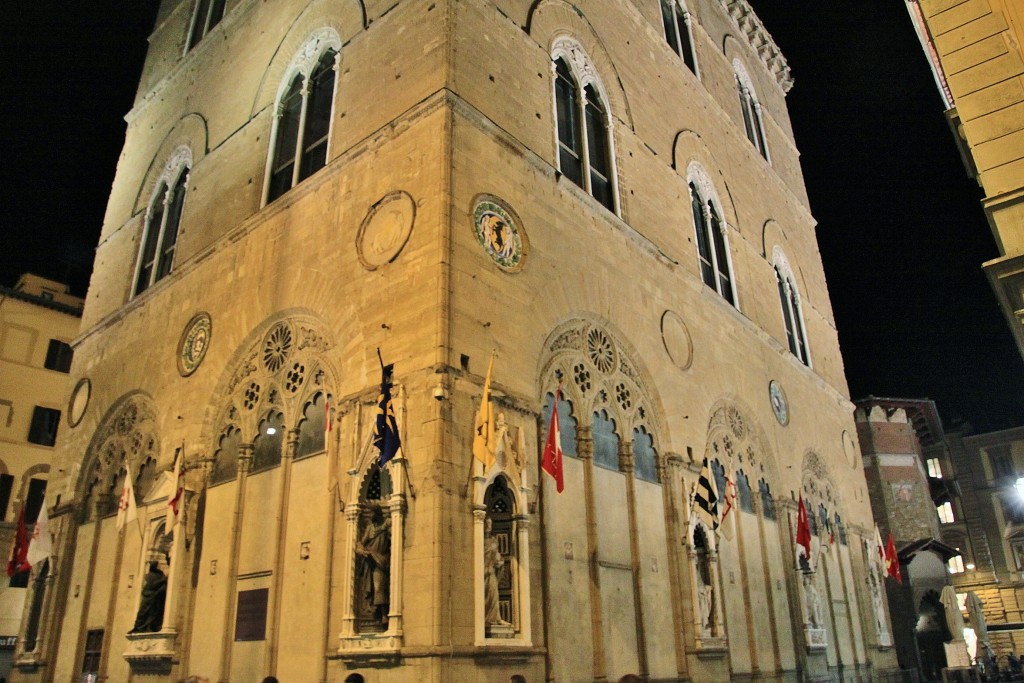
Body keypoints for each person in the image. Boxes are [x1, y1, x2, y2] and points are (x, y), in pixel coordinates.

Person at [355, 503, 391, 626]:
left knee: (378, 587)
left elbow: (393, 537)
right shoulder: (370, 528)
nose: (369, 516)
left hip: (381, 561)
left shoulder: (387, 523)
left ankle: (384, 615)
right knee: (370, 588)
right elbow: (361, 543)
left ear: (377, 513)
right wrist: (361, 550)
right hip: (370, 561)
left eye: (371, 513)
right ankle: (377, 612)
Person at [130, 562, 167, 633]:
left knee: (151, 614)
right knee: (143, 612)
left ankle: (148, 627)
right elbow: (152, 585)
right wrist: (164, 579)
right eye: (158, 565)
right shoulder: (151, 576)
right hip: (148, 598)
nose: (160, 567)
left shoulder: (160, 575)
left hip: (154, 600)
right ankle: (139, 627)